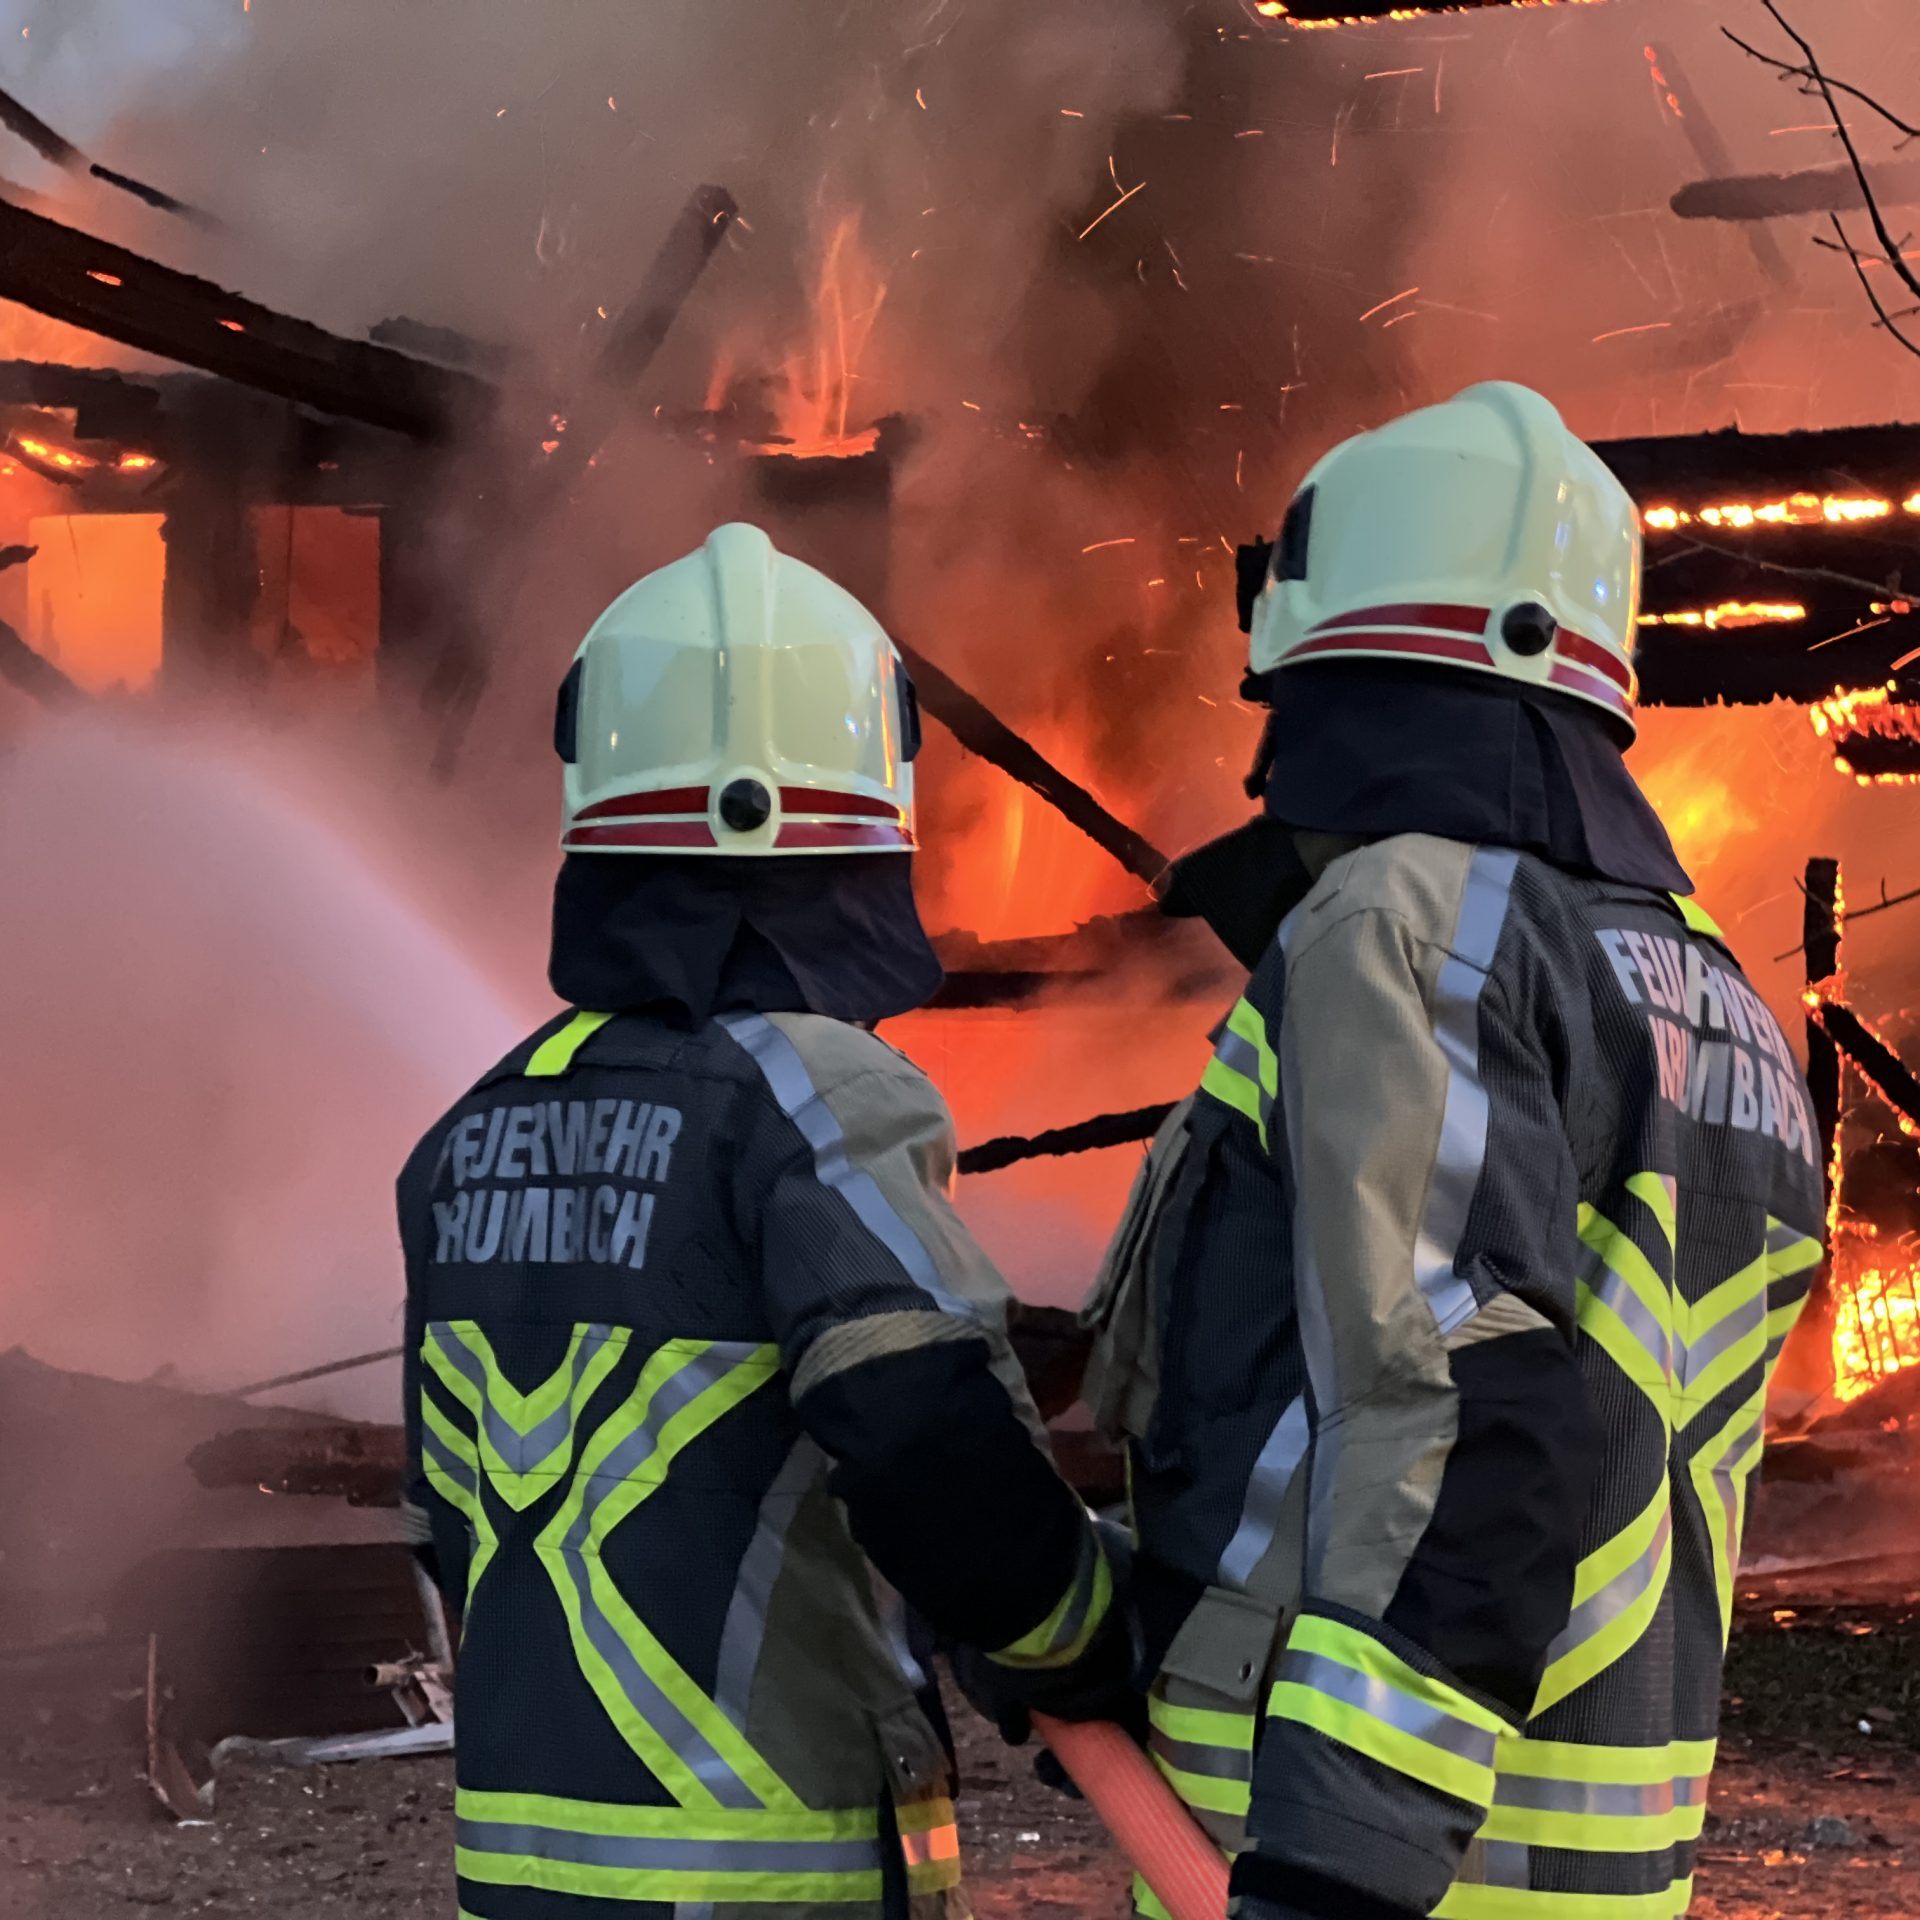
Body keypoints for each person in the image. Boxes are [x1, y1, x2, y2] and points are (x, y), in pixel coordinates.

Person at [1080, 383, 1825, 1920]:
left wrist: (1341, 1864)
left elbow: (1453, 1398)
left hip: (1355, 1856)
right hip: (1600, 1855)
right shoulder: (1718, 994)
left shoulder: (1405, 924)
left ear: (1323, 647)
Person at [397, 523, 1123, 1920]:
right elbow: (922, 1428)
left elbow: (444, 1515)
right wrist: (1079, 1630)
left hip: (520, 1869)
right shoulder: (817, 1092)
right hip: (762, 1875)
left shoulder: (473, 1128)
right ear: (868, 815)